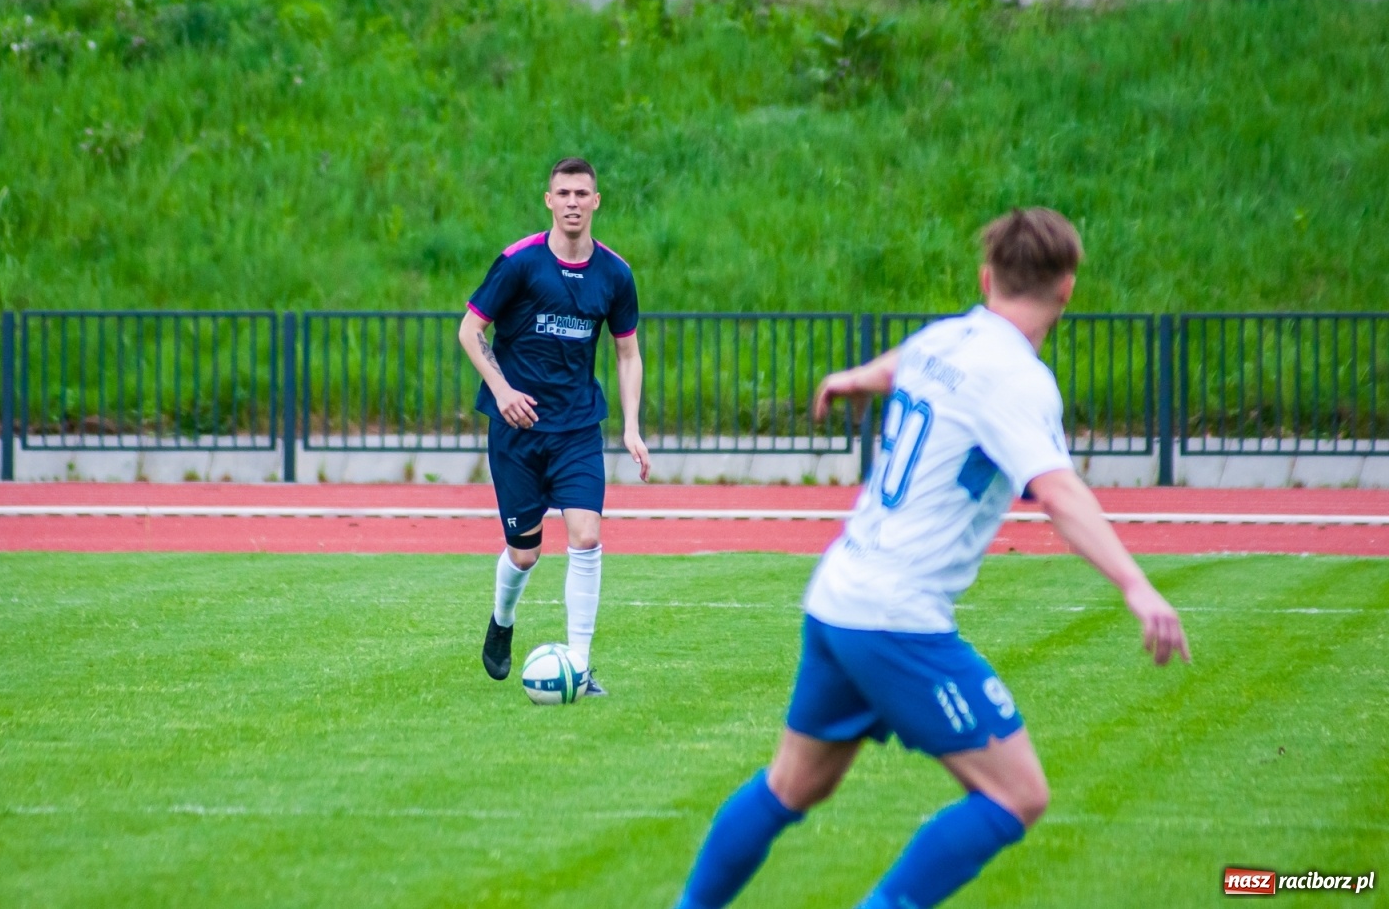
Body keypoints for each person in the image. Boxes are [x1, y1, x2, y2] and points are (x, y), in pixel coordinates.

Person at [673, 207, 1190, 909]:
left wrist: (858, 376)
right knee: (1018, 794)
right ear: (1068, 288)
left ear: (986, 277)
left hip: (838, 597)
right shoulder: (1017, 378)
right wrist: (1136, 585)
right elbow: (1059, 490)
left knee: (792, 785)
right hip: (896, 617)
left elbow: (904, 364)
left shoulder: (947, 337)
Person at [458, 157, 650, 696]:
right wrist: (502, 391)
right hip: (516, 431)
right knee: (525, 551)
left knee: (586, 537)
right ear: (549, 200)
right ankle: (502, 621)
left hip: (577, 430)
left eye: (581, 193)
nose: (571, 201)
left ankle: (581, 667)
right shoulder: (519, 262)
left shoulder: (615, 274)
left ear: (595, 202)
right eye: (562, 192)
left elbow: (628, 353)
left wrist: (631, 427)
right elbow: (471, 331)